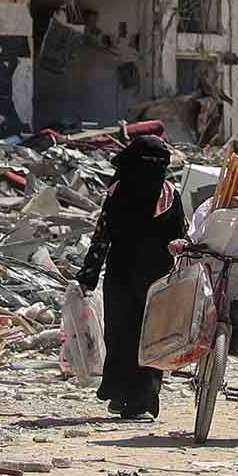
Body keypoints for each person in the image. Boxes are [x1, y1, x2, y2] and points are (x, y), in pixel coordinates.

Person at [76, 133, 186, 421]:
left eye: (160, 164)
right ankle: (120, 394)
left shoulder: (169, 196)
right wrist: (88, 276)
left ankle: (143, 402)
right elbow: (103, 236)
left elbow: (181, 237)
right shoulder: (118, 194)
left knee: (151, 338)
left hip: (157, 281)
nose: (153, 171)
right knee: (120, 336)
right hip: (122, 277)